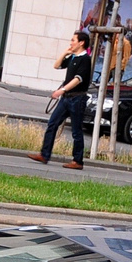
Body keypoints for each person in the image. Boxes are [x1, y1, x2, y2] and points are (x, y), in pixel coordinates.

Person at [29, 31, 93, 170]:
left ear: (81, 42)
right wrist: (65, 53)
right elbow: (57, 65)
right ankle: (44, 154)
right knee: (52, 124)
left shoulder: (85, 59)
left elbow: (78, 79)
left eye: (73, 40)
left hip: (77, 98)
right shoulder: (72, 57)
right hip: (66, 99)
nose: (71, 43)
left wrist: (62, 90)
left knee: (76, 130)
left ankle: (78, 161)